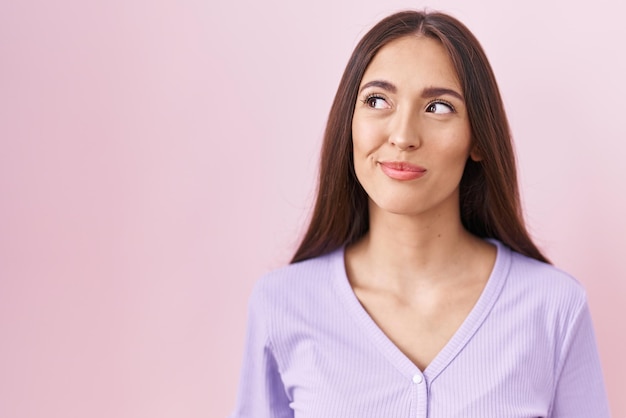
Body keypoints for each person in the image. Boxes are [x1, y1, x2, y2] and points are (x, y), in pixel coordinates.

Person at [229, 10, 610, 418]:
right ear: (349, 124)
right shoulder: (282, 305)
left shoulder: (554, 308)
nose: (403, 136)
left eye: (439, 107)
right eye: (377, 100)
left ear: (478, 138)